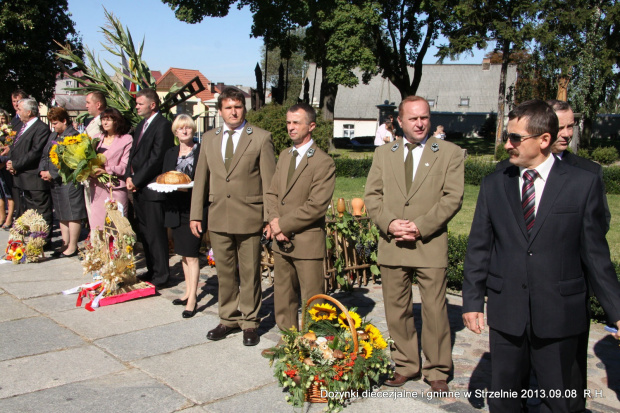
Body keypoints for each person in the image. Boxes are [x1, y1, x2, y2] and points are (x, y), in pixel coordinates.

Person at [462, 99, 620, 413]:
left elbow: (596, 256)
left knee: (561, 401)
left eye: (516, 138)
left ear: (543, 140)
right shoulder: (495, 184)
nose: (507, 144)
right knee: (505, 400)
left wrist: (616, 311)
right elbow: (479, 246)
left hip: (560, 314)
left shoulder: (582, 184)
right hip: (508, 314)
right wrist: (472, 301)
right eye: (508, 136)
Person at [364, 96, 464, 392]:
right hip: (392, 242)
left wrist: (420, 227)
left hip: (429, 244)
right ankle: (405, 364)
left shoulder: (449, 153)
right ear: (399, 121)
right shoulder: (384, 153)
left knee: (434, 310)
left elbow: (452, 198)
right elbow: (372, 196)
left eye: (425, 117)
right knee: (397, 309)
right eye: (413, 118)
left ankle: (437, 371)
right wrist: (391, 223)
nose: (420, 123)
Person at [190, 87, 276, 346]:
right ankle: (228, 318)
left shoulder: (260, 138)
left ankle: (249, 321)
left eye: (238, 106)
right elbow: (200, 179)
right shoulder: (208, 138)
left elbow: (270, 182)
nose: (233, 111)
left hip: (250, 217)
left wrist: (271, 218)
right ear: (220, 111)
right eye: (228, 107)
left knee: (249, 272)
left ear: (244, 109)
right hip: (218, 216)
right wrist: (196, 214)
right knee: (225, 273)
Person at [265, 103, 335, 334]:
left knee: (313, 299)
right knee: (283, 295)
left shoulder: (323, 162)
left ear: (311, 126)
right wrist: (276, 224)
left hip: (307, 241)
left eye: (297, 122)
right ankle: (288, 341)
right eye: (288, 122)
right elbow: (273, 193)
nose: (291, 127)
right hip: (281, 239)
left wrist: (282, 224)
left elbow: (316, 206)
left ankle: (316, 345)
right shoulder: (285, 155)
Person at [126, 88, 174, 287]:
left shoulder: (162, 125)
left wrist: (137, 180)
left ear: (152, 105)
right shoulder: (141, 125)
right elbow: (133, 154)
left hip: (152, 188)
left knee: (155, 233)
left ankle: (162, 275)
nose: (136, 106)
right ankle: (152, 270)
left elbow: (156, 158)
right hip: (139, 188)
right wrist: (129, 175)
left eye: (140, 103)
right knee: (145, 233)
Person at [162, 114, 206, 318]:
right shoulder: (170, 153)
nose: (185, 131)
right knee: (183, 254)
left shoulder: (201, 151)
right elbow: (165, 178)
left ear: (193, 129)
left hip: (193, 208)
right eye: (181, 128)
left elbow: (205, 179)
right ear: (175, 132)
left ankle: (193, 299)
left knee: (192, 253)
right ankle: (188, 291)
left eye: (188, 127)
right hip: (175, 207)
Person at [39, 107, 87, 258]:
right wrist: (42, 170)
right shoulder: (54, 134)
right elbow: (45, 154)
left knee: (71, 213)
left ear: (64, 121)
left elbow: (72, 161)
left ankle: (72, 246)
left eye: (55, 123)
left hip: (68, 180)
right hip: (54, 182)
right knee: (61, 213)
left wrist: (52, 173)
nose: (53, 126)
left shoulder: (73, 136)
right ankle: (64, 244)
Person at [6, 97, 52, 234]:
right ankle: (33, 236)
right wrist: (10, 162)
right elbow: (17, 147)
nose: (17, 112)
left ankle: (42, 238)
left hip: (34, 178)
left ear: (29, 112)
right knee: (29, 211)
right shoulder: (22, 126)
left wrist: (16, 164)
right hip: (22, 177)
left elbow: (35, 152)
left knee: (41, 211)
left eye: (20, 109)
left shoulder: (40, 128)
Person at [88, 107, 132, 234]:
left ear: (116, 121)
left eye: (108, 120)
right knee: (98, 226)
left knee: (118, 227)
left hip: (116, 187)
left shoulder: (126, 139)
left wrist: (107, 170)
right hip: (97, 187)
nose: (105, 123)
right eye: (103, 120)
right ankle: (101, 253)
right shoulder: (97, 138)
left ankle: (119, 253)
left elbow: (124, 166)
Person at [0, 109, 15, 229]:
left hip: (5, 165)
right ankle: (1, 216)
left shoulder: (9, 133)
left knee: (8, 192)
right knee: (0, 193)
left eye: (3, 118)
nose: (1, 121)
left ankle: (9, 217)